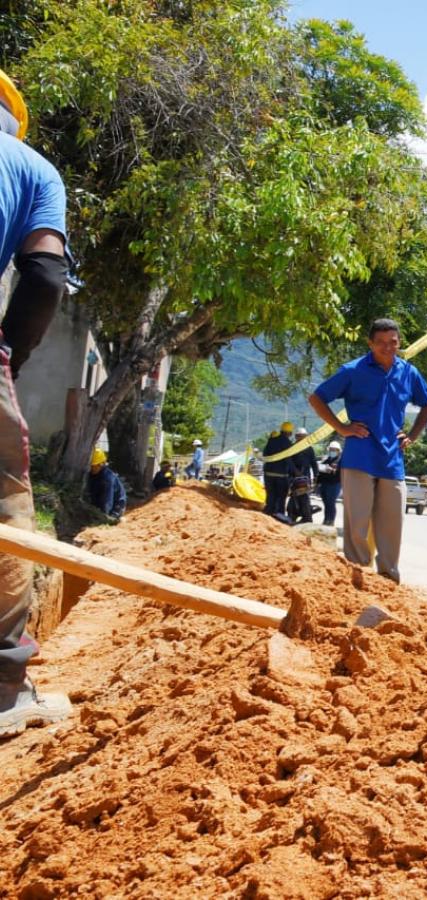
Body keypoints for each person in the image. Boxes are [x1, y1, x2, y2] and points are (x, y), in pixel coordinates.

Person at [0, 68, 73, 737]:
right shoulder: (29, 167)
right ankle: (4, 687)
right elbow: (46, 274)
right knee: (5, 506)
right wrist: (9, 359)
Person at [309, 318, 427, 583]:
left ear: (399, 343)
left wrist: (412, 435)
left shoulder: (408, 372)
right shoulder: (353, 370)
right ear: (370, 343)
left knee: (391, 524)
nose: (388, 348)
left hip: (392, 460)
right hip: (359, 456)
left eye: (393, 342)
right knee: (358, 523)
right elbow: (316, 397)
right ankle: (357, 575)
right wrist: (342, 428)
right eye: (381, 343)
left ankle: (388, 578)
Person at [261, 424, 295, 518]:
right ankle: (279, 516)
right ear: (290, 432)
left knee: (270, 496)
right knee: (281, 498)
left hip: (268, 474)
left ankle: (268, 514)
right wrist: (295, 471)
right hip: (281, 475)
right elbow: (288, 459)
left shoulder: (271, 440)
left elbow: (265, 454)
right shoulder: (287, 442)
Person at [287, 427, 319, 524]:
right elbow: (288, 461)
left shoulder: (309, 449)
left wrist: (316, 475)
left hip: (305, 478)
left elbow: (313, 463)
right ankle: (292, 516)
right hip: (294, 478)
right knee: (294, 497)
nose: (301, 438)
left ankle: (307, 518)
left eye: (303, 437)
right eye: (299, 436)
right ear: (296, 437)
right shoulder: (292, 448)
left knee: (304, 498)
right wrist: (295, 470)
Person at [86, 448, 127, 519]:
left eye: (93, 466)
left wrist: (104, 515)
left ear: (101, 465)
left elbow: (108, 500)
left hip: (116, 507)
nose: (91, 468)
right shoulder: (93, 474)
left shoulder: (108, 479)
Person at [316, 441, 342, 527]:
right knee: (326, 503)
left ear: (338, 451)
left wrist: (333, 470)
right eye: (331, 449)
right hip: (324, 484)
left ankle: (331, 521)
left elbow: (342, 473)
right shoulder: (326, 459)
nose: (332, 451)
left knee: (331, 503)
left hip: (334, 484)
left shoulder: (340, 461)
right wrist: (318, 483)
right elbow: (320, 471)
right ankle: (326, 520)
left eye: (334, 450)